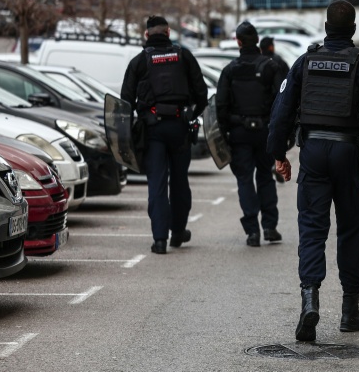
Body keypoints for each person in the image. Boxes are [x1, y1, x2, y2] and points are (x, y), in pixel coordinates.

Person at [267, 0, 359, 342]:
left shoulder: (305, 61)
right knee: (350, 231)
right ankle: (350, 312)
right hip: (348, 154)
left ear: (325, 27)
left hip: (314, 153)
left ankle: (310, 301)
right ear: (352, 30)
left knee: (311, 229)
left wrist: (278, 154)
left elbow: (281, 111)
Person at [121, 15, 208, 255]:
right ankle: (178, 232)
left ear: (147, 35)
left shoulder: (139, 62)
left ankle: (160, 239)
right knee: (180, 181)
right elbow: (201, 92)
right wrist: (192, 115)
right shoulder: (184, 56)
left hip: (153, 130)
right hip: (180, 127)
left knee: (157, 185)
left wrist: (128, 135)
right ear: (168, 32)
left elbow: (125, 101)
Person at [216, 22, 286, 247]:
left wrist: (225, 136)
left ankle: (252, 231)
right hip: (265, 132)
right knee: (265, 177)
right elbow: (281, 101)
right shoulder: (270, 67)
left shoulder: (230, 69)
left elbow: (220, 106)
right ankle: (269, 226)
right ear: (257, 40)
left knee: (245, 180)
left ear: (238, 41)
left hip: (239, 133)